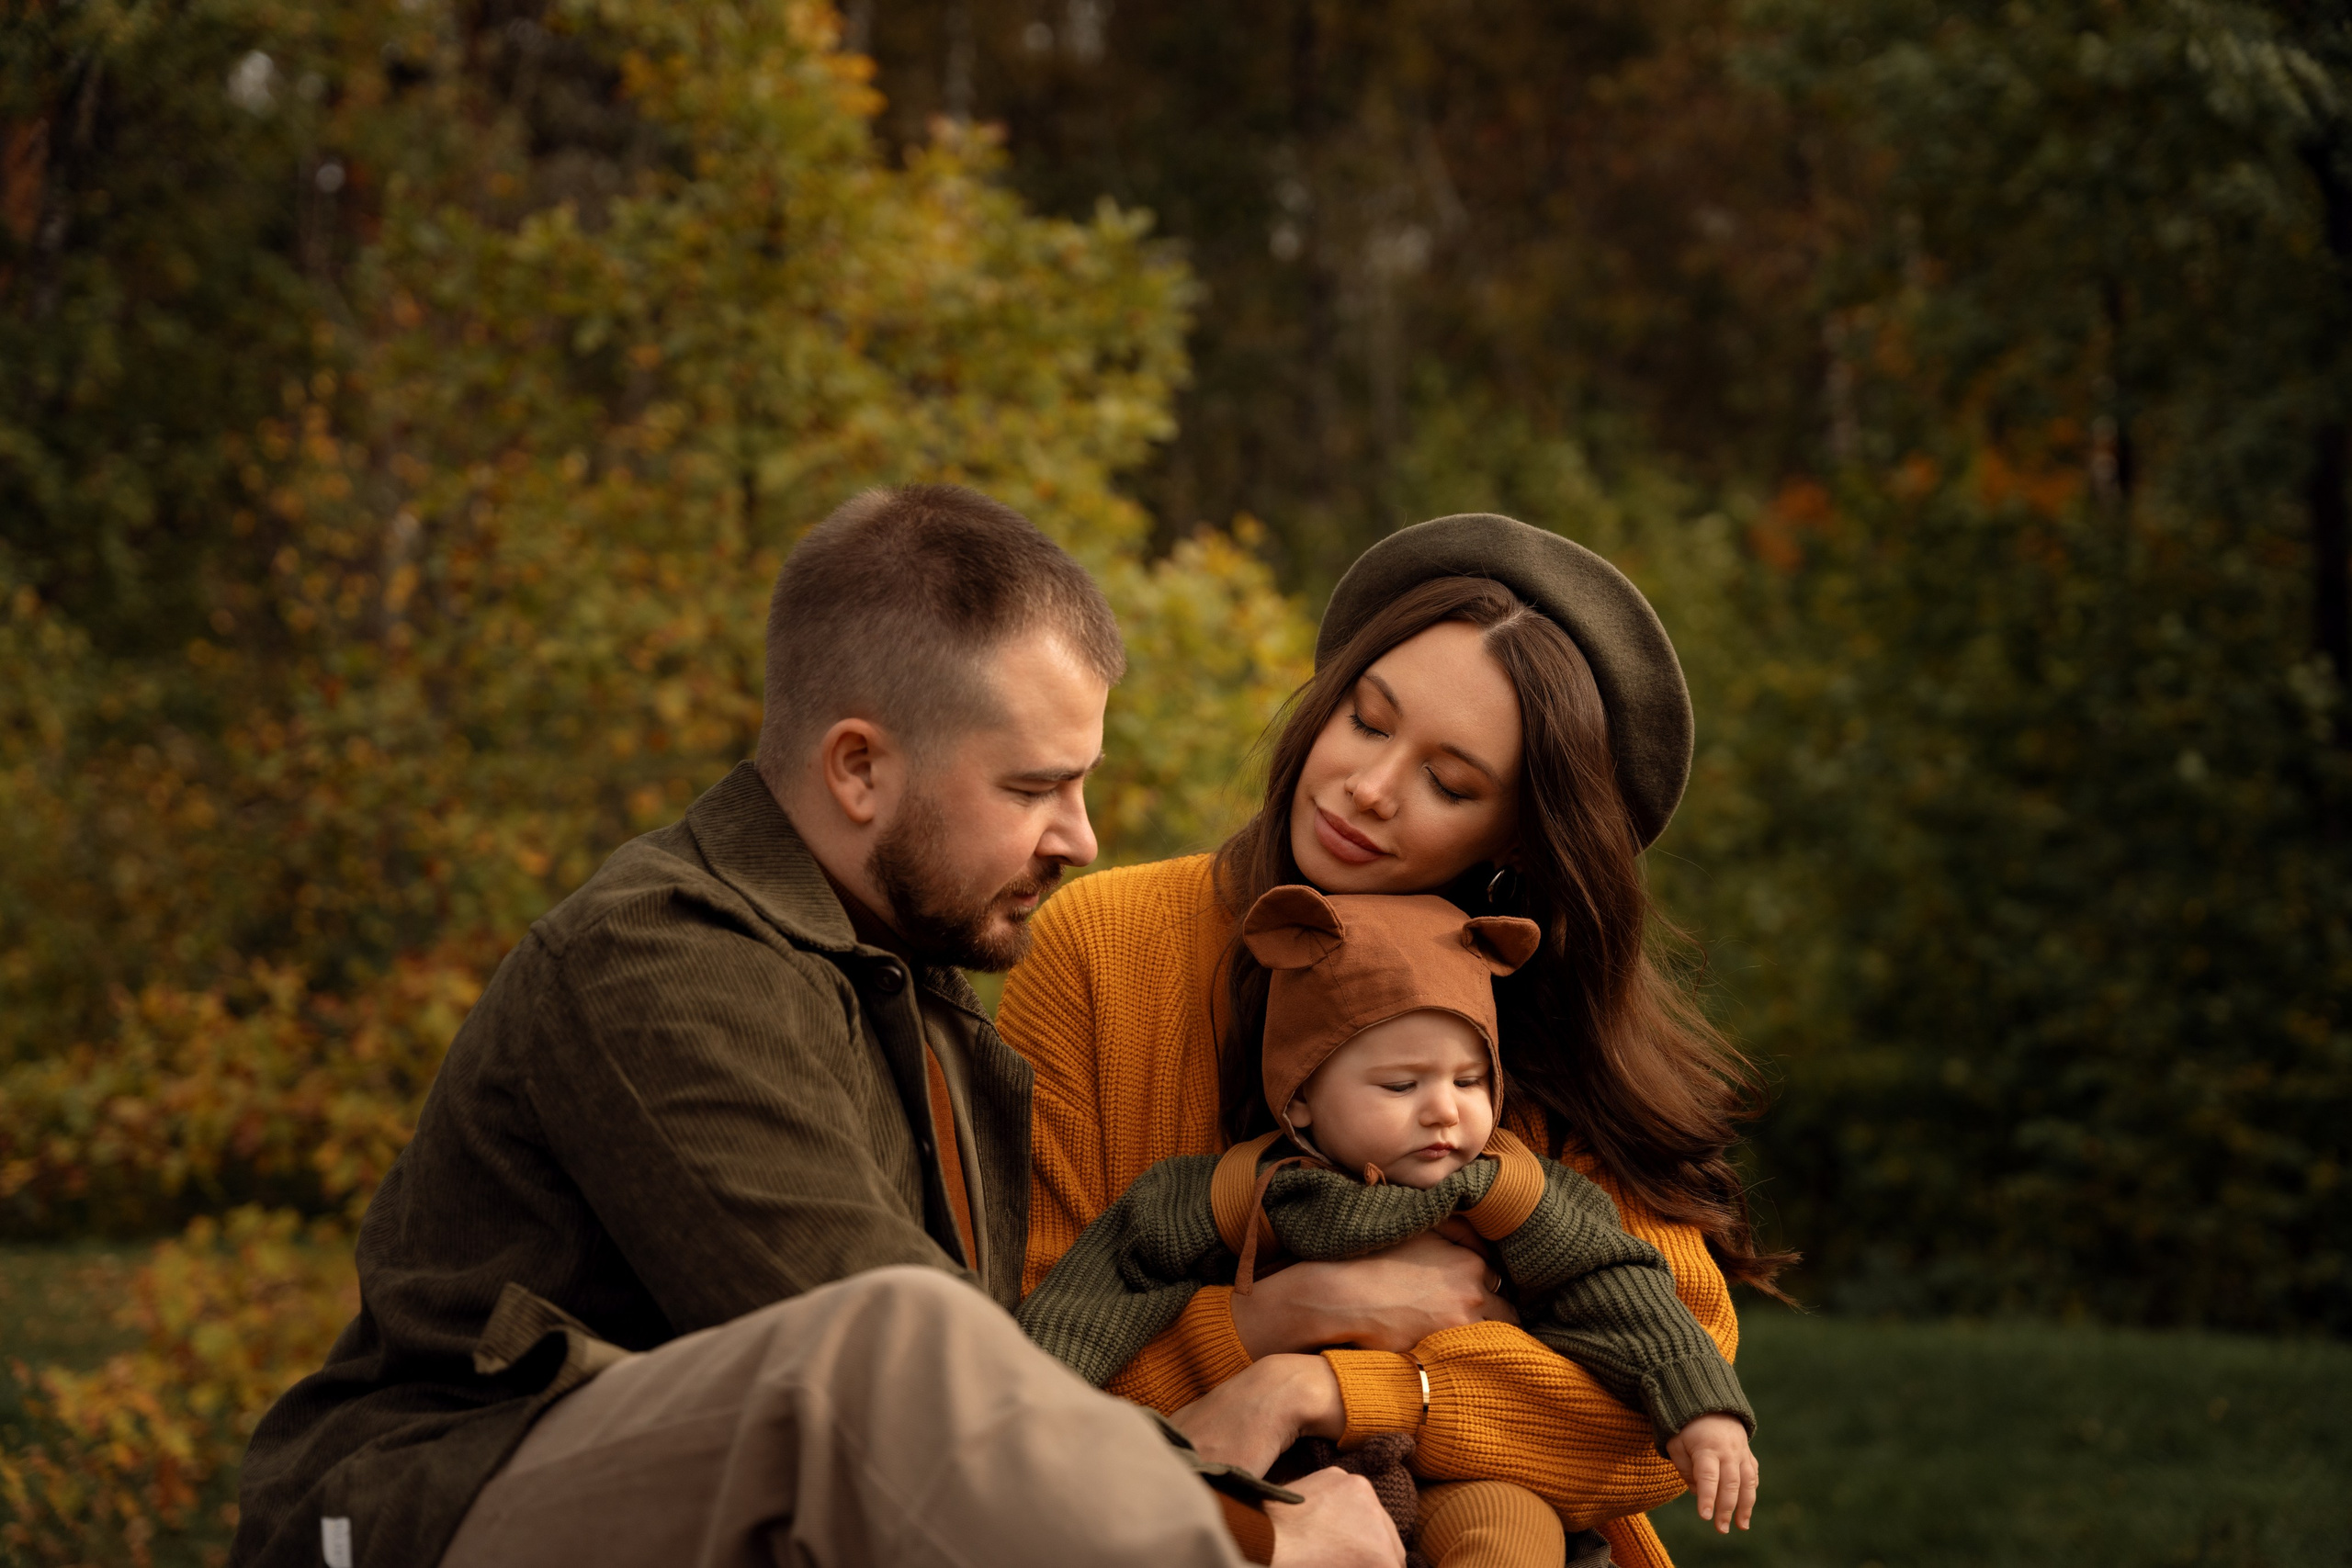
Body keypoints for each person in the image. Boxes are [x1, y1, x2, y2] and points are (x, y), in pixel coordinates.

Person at [230, 485, 1404, 1568]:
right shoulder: (658, 959)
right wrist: (1253, 1536)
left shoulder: (907, 993)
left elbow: (996, 1404)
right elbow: (885, 1370)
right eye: (1033, 788)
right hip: (413, 1521)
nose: (1080, 838)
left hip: (692, 1508)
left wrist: (1251, 1409)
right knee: (889, 1336)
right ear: (857, 770)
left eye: (1081, 785)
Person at [999, 513, 1795, 1568]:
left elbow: (1656, 1411)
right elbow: (1023, 1371)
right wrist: (1284, 1317)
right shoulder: (1103, 948)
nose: (1368, 789)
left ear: (1519, 834)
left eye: (1449, 784)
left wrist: (1326, 1385)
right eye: (1368, 723)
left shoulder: (1536, 1002)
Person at [1016, 885, 1759, 1568]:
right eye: (1401, 1084)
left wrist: (1699, 1404)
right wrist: (1039, 1380)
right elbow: (1108, 1273)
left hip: (1456, 1466)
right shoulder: (1247, 1190)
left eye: (1470, 1080)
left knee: (1508, 1531)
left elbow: (1615, 1282)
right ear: (1301, 1097)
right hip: (1275, 1464)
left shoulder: (1510, 1190)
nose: (1443, 1109)